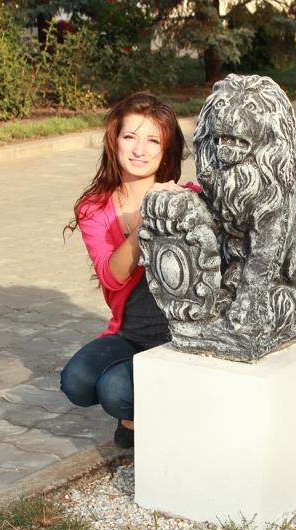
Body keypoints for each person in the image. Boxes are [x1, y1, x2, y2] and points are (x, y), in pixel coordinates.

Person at [60, 92, 196, 449]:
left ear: (166, 150)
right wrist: (147, 220)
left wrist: (172, 205)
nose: (139, 149)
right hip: (131, 334)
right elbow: (112, 276)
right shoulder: (94, 208)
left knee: (114, 390)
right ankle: (148, 412)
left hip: (181, 336)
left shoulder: (188, 197)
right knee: (77, 381)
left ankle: (155, 418)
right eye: (130, 136)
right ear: (114, 140)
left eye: (153, 140)